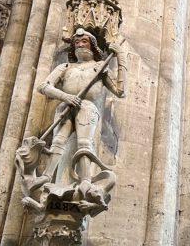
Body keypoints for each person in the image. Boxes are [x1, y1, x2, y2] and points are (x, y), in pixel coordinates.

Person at [37, 28, 126, 199]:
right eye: (76, 43)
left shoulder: (100, 67)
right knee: (58, 142)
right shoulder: (65, 67)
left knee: (84, 143)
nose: (79, 45)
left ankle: (85, 180)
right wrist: (65, 96)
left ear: (92, 45)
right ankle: (47, 176)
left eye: (84, 41)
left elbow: (120, 91)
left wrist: (121, 58)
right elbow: (44, 86)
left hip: (87, 107)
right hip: (65, 106)